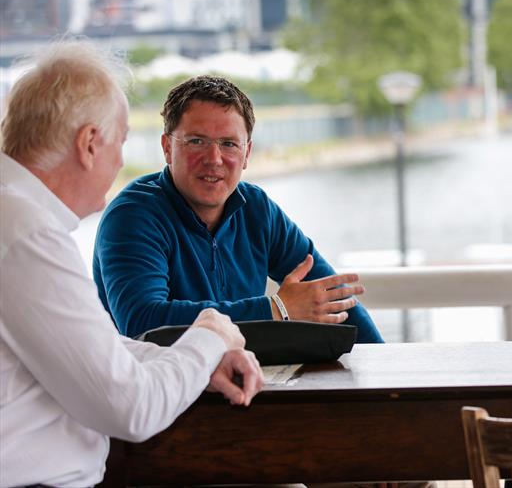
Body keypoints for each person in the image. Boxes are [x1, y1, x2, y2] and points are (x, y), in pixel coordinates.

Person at [0, 42, 264, 487]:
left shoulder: (16, 219)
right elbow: (133, 409)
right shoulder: (25, 233)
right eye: (120, 142)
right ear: (89, 144)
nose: (121, 161)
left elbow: (90, 347)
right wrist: (210, 333)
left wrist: (196, 361)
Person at [92, 75, 383, 344]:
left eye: (229, 144)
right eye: (196, 141)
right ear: (167, 147)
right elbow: (142, 322)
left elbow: (329, 297)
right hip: (156, 393)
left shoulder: (258, 210)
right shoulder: (132, 215)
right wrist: (275, 309)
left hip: (243, 386)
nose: (214, 158)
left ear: (247, 153)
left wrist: (384, 370)